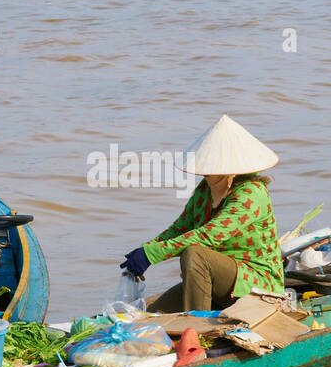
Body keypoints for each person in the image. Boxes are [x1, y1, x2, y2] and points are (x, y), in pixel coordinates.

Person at [121, 115, 282, 312]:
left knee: (195, 253)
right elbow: (179, 229)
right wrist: (146, 250)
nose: (204, 171)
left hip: (256, 287)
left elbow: (209, 236)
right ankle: (197, 316)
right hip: (217, 284)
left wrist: (152, 255)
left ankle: (197, 329)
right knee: (154, 314)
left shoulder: (251, 193)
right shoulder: (206, 190)